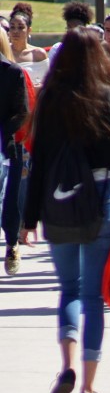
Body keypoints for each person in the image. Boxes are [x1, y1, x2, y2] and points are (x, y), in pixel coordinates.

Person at [20, 28, 110, 393]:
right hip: (100, 198)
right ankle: (87, 387)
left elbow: (38, 163)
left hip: (58, 200)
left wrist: (28, 220)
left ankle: (66, 366)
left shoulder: (51, 99)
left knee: (68, 289)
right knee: (92, 296)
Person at [1, 27, 30, 276]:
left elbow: (22, 111)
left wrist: (5, 133)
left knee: (9, 201)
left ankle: (12, 244)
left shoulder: (12, 72)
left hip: (7, 146)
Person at [8, 4, 50, 87]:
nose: (15, 31)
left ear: (29, 30)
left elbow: (47, 84)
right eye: (12, 27)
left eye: (20, 27)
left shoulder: (38, 54)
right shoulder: (3, 51)